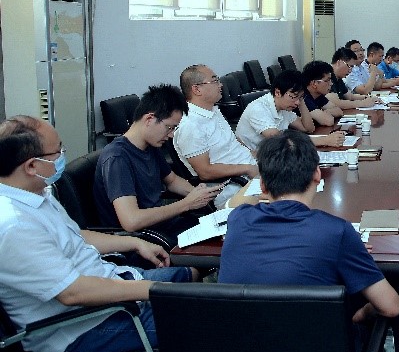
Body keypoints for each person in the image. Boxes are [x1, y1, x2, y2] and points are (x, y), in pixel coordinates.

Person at [0, 116, 194, 352]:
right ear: (31, 166)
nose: (62, 156)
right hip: (83, 329)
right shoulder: (15, 225)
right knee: (204, 318)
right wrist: (154, 290)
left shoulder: (36, 193)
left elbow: (73, 235)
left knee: (190, 277)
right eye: (57, 152)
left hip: (108, 285)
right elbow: (73, 293)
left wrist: (135, 243)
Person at [219, 130, 399, 325]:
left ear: (262, 185)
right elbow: (391, 307)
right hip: (316, 343)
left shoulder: (238, 218)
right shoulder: (336, 231)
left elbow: (235, 205)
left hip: (241, 341)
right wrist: (361, 314)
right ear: (317, 174)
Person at [94, 84, 221, 243]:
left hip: (164, 226)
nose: (171, 135)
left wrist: (200, 194)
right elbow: (131, 221)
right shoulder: (117, 158)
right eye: (169, 127)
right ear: (149, 119)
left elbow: (172, 181)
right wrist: (187, 203)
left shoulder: (150, 145)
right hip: (145, 239)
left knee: (225, 230)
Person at [173, 64, 259, 209]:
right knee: (289, 198)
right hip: (234, 188)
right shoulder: (190, 125)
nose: (221, 85)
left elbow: (232, 142)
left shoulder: (213, 110)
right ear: (197, 89)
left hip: (252, 171)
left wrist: (255, 155)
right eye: (214, 81)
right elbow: (205, 172)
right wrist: (247, 168)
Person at [235, 69, 345, 149]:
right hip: (252, 160)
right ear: (278, 92)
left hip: (272, 155)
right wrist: (324, 140)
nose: (297, 102)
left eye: (300, 97)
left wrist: (301, 101)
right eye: (294, 96)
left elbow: (308, 128)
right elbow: (280, 141)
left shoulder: (283, 107)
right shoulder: (258, 109)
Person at [302, 61, 346, 126]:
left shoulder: (318, 95)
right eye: (327, 80)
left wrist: (323, 112)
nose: (331, 83)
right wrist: (323, 113)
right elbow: (328, 121)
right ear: (314, 84)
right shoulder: (303, 98)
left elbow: (339, 111)